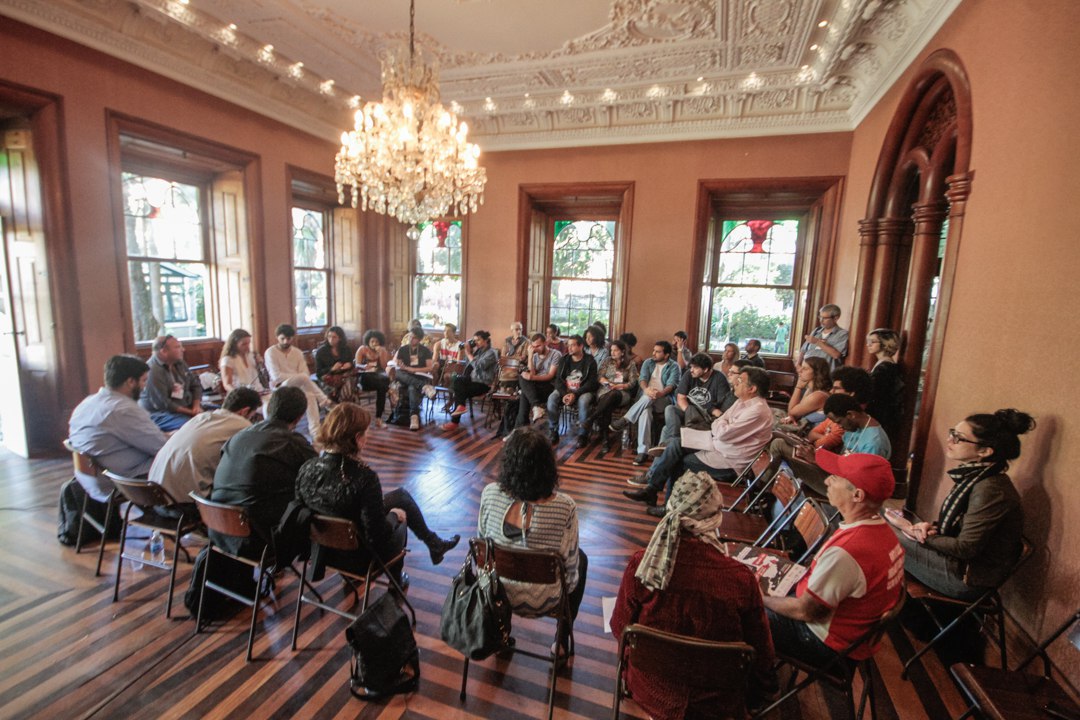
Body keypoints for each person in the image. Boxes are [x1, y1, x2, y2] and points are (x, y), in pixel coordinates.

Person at [610, 473, 778, 718]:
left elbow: (620, 627)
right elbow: (762, 656)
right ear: (714, 519)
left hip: (649, 688)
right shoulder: (740, 580)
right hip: (717, 701)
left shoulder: (643, 566)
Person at [764, 450, 904, 668]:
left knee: (736, 605)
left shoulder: (848, 550)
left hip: (824, 643)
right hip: (850, 637)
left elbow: (806, 611)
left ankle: (759, 685)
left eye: (836, 477)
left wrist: (758, 596)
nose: (828, 480)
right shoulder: (884, 533)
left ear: (857, 495)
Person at [296, 403, 459, 584]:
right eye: (366, 433)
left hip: (322, 551)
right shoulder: (364, 477)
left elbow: (302, 512)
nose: (367, 437)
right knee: (400, 516)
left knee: (400, 497)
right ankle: (396, 580)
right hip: (360, 557)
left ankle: (434, 543)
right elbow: (377, 535)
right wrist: (393, 516)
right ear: (357, 438)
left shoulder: (306, 468)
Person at [896, 409, 1035, 600]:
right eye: (952, 433)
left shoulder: (991, 489)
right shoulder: (977, 478)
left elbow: (966, 547)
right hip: (955, 564)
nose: (950, 440)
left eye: (959, 438)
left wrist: (921, 536)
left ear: (985, 451)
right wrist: (930, 528)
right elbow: (961, 526)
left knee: (880, 536)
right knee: (875, 527)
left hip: (966, 579)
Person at [477, 427, 586, 657]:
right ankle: (561, 642)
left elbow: (482, 548)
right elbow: (572, 574)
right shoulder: (565, 507)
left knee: (501, 557)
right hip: (548, 599)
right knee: (582, 559)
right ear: (548, 467)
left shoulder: (489, 494)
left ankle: (501, 634)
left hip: (496, 595)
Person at [623, 366, 773, 515]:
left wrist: (720, 424)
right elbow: (721, 421)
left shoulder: (757, 410)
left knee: (678, 461)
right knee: (676, 442)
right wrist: (721, 424)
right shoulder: (741, 401)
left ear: (752, 389)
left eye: (740, 380)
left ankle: (668, 508)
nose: (735, 382)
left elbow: (723, 432)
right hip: (717, 445)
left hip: (729, 461)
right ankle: (652, 490)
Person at [209, 386, 317, 558]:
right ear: (299, 417)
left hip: (218, 529)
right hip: (258, 538)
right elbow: (320, 479)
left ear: (269, 408)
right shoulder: (292, 442)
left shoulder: (238, 436)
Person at [148, 387, 262, 503]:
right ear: (244, 411)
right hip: (185, 503)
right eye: (251, 416)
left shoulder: (200, 418)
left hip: (153, 497)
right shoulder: (241, 424)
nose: (251, 420)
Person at [69, 354, 167, 479]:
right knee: (185, 456)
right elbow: (162, 448)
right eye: (143, 380)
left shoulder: (87, 403)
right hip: (126, 480)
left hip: (90, 479)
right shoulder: (124, 410)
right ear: (131, 382)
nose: (144, 387)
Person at [783, 393, 892, 497]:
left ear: (851, 415)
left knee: (779, 445)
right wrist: (815, 455)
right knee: (784, 444)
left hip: (849, 491)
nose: (839, 427)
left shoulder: (874, 442)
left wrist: (817, 460)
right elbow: (841, 459)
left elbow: (861, 481)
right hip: (835, 476)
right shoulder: (854, 427)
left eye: (839, 422)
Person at [610, 341, 681, 465]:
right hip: (646, 397)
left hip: (663, 399)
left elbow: (672, 384)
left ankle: (625, 419)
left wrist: (659, 393)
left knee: (649, 398)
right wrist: (646, 389)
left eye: (658, 351)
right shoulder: (648, 362)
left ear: (666, 355)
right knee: (645, 412)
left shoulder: (674, 366)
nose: (653, 353)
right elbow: (642, 379)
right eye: (654, 350)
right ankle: (643, 452)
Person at [651, 352, 730, 455]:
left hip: (706, 416)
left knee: (666, 429)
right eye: (691, 367)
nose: (691, 370)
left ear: (706, 369)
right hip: (688, 411)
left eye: (695, 368)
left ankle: (667, 447)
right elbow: (681, 397)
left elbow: (719, 407)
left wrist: (706, 411)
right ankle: (671, 442)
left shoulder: (719, 378)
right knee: (670, 408)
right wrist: (690, 412)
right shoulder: (689, 374)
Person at [264, 323, 330, 439]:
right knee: (303, 379)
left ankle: (316, 433)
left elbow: (306, 373)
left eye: (288, 339)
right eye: (282, 338)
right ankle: (324, 400)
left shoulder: (297, 352)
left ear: (292, 338)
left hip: (298, 387)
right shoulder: (270, 352)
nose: (285, 342)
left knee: (309, 395)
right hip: (280, 388)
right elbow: (276, 376)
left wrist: (298, 377)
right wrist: (298, 376)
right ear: (277, 338)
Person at [139, 334, 203, 431]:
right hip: (162, 414)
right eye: (178, 347)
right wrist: (193, 413)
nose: (183, 349)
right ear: (164, 351)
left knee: (223, 414)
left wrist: (196, 407)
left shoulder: (180, 363)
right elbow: (164, 404)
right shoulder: (152, 371)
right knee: (194, 426)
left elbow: (196, 385)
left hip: (187, 408)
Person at [545, 335, 599, 447]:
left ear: (581, 346)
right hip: (566, 390)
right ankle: (553, 430)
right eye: (568, 345)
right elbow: (558, 380)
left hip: (583, 391)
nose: (569, 348)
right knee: (552, 398)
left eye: (573, 345)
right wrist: (565, 394)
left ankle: (582, 434)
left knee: (583, 402)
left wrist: (575, 394)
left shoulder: (590, 361)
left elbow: (591, 383)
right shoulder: (564, 360)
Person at [441, 330, 499, 430]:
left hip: (483, 384)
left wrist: (468, 353)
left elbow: (480, 366)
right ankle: (458, 413)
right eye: (474, 340)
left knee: (459, 389)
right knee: (458, 382)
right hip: (472, 380)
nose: (475, 342)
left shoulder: (492, 353)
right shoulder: (478, 351)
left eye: (478, 340)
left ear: (486, 340)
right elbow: (469, 364)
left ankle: (454, 422)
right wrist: (469, 351)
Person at [592, 340, 639, 452]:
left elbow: (632, 383)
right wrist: (609, 384)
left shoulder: (630, 364)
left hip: (622, 393)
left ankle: (593, 418)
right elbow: (599, 376)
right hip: (605, 390)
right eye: (611, 350)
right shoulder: (607, 361)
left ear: (622, 352)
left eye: (615, 350)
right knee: (608, 405)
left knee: (613, 395)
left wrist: (619, 386)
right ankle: (605, 439)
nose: (612, 353)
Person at [515, 333, 562, 427]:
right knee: (522, 377)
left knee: (524, 393)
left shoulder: (555, 354)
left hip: (550, 386)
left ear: (545, 343)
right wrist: (530, 357)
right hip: (536, 387)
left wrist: (531, 377)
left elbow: (550, 375)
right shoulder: (535, 356)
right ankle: (536, 407)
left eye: (538, 346)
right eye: (533, 346)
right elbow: (531, 373)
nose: (536, 348)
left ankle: (518, 429)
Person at [392, 327, 434, 431]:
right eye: (410, 336)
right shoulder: (403, 349)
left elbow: (429, 368)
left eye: (414, 338)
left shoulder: (425, 350)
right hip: (404, 376)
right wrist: (402, 366)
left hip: (419, 376)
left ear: (419, 339)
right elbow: (397, 364)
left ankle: (414, 417)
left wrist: (413, 370)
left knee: (412, 388)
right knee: (398, 373)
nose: (411, 339)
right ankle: (424, 387)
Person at [866, 328, 905, 441]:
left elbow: (878, 394)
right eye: (868, 341)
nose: (868, 345)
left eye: (872, 342)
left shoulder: (885, 367)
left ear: (885, 343)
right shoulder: (883, 364)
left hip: (881, 415)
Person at [778, 356, 831, 427]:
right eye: (801, 367)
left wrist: (798, 387)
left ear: (817, 373)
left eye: (805, 369)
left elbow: (791, 412)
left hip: (810, 435)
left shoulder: (819, 395)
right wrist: (791, 417)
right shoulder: (810, 390)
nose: (800, 370)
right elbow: (796, 413)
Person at [797, 303, 849, 371]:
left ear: (836, 318)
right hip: (807, 372)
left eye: (824, 318)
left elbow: (836, 355)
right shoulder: (816, 331)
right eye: (820, 317)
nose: (821, 320)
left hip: (824, 375)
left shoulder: (842, 334)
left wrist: (818, 342)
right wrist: (798, 364)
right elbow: (803, 350)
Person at [355, 329, 391, 425]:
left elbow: (384, 367)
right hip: (365, 377)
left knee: (382, 386)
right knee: (384, 382)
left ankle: (378, 417)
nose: (374, 343)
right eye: (372, 341)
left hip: (378, 378)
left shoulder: (382, 350)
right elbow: (356, 365)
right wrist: (364, 366)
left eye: (376, 341)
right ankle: (391, 391)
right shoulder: (362, 349)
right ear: (368, 341)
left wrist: (382, 353)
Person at [313, 325, 356, 403]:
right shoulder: (321, 351)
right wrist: (332, 368)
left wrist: (349, 365)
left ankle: (341, 403)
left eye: (334, 337)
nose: (331, 339)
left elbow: (352, 364)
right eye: (329, 337)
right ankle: (344, 403)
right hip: (328, 376)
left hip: (344, 374)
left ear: (340, 338)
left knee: (349, 379)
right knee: (346, 382)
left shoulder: (346, 349)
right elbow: (319, 372)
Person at [219, 328, 265, 394]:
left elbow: (259, 375)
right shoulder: (228, 360)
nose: (247, 346)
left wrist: (259, 363)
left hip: (258, 391)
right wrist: (238, 394)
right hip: (239, 394)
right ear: (234, 344)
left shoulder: (251, 355)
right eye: (244, 344)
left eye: (248, 343)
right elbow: (227, 384)